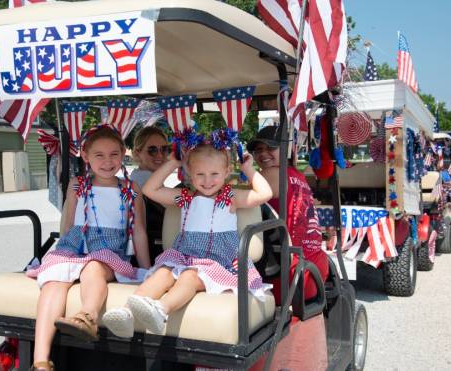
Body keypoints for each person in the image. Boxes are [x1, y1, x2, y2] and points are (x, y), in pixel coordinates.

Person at [102, 139, 272, 338]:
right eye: (200, 174)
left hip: (217, 262)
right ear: (190, 173)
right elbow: (150, 190)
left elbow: (264, 194)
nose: (207, 180)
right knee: (163, 273)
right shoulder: (185, 197)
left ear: (226, 172)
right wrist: (173, 162)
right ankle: (127, 312)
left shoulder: (229, 197)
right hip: (185, 257)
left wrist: (248, 169)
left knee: (189, 276)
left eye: (214, 174)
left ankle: (160, 310)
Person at [25, 126, 151, 371]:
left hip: (109, 251)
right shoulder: (78, 184)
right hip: (75, 247)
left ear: (123, 153)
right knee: (53, 282)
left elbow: (139, 231)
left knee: (93, 267)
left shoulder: (129, 189)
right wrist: (61, 257)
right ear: (86, 156)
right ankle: (41, 361)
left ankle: (88, 317)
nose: (107, 162)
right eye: (99, 155)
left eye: (114, 154)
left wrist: (146, 269)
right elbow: (68, 225)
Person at [247, 126, 329, 300]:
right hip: (314, 267)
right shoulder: (297, 175)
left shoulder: (270, 174)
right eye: (258, 149)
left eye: (270, 148)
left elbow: (235, 203)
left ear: (286, 149)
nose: (263, 154)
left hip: (288, 274)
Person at [130, 126, 172, 263]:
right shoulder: (142, 181)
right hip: (151, 250)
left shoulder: (142, 177)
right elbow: (175, 208)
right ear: (137, 153)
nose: (160, 155)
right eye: (152, 150)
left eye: (164, 149)